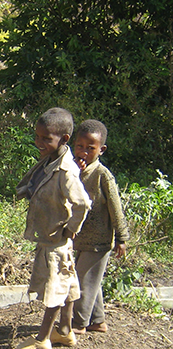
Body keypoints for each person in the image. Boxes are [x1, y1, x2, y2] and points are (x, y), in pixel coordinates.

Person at [14, 108, 91, 349]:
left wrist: (71, 228)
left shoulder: (66, 171)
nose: (39, 143)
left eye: (46, 138)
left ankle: (43, 340)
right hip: (51, 236)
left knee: (54, 288)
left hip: (56, 239)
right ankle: (66, 330)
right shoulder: (51, 161)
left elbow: (82, 203)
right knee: (67, 283)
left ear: (64, 139)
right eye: (37, 137)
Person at [71, 119, 129, 334]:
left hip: (99, 239)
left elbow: (116, 207)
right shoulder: (74, 169)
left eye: (90, 148)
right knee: (90, 279)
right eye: (80, 146)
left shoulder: (102, 175)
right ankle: (97, 321)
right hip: (82, 238)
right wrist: (74, 173)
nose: (84, 152)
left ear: (101, 150)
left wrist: (122, 238)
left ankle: (78, 323)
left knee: (83, 281)